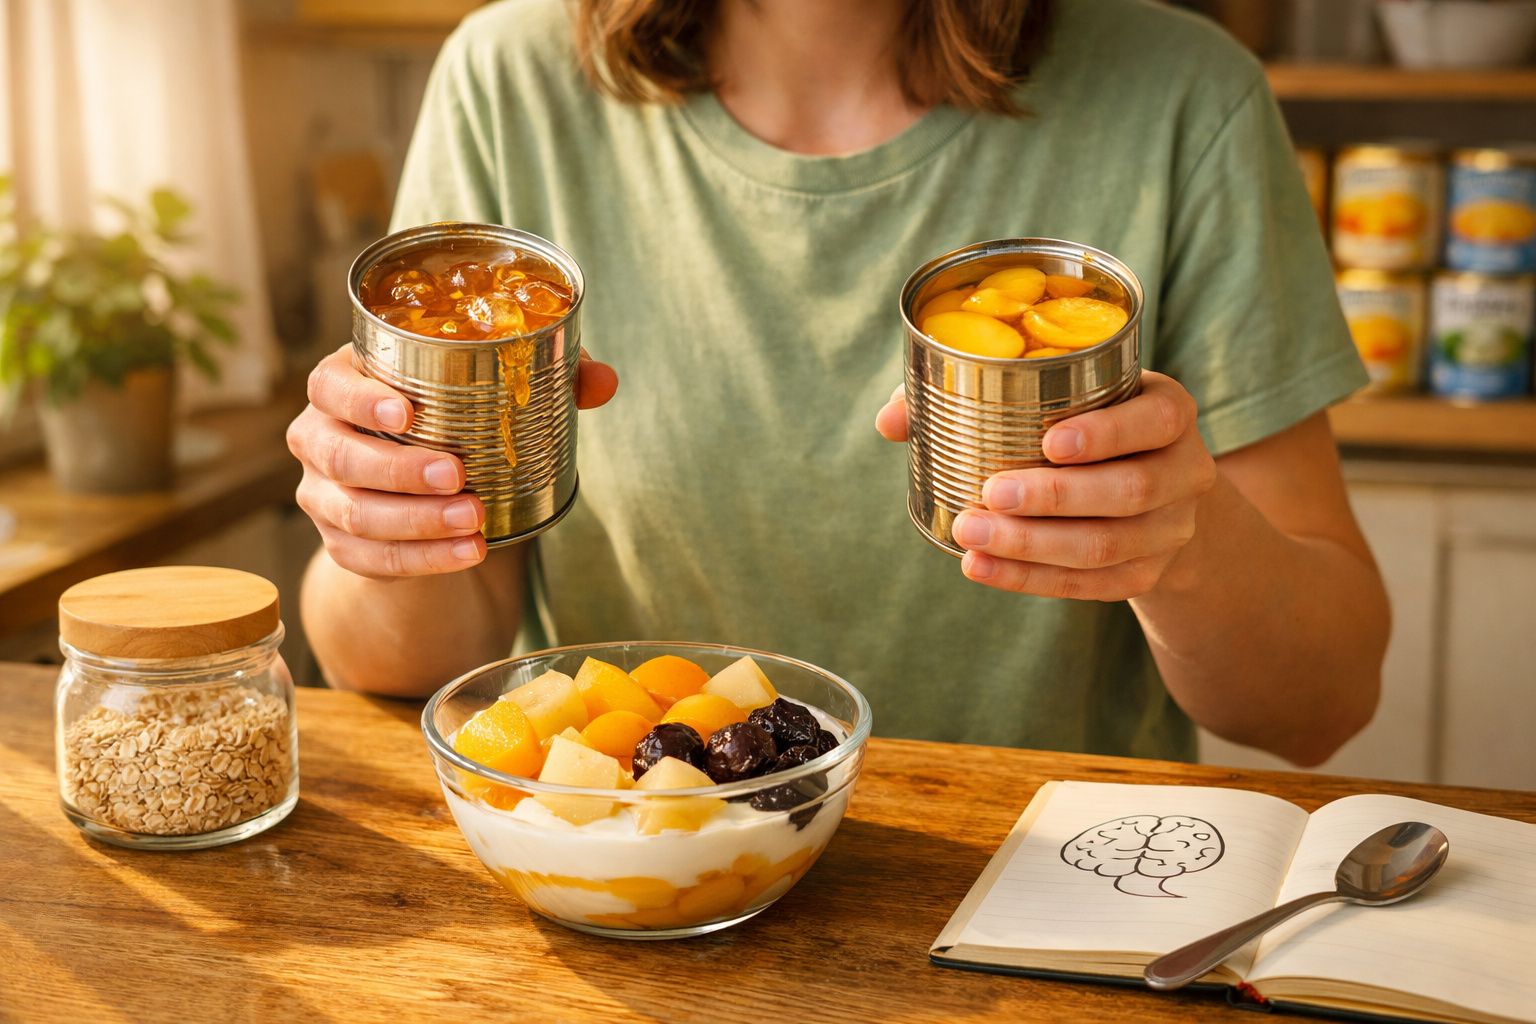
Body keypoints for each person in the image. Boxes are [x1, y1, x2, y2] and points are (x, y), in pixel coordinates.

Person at [287, 0, 1390, 766]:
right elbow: (393, 663)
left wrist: (1181, 545)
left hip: (1052, 903)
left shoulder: (1186, 96)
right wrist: (381, 522)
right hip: (628, 895)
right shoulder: (506, 82)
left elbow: (1321, 706)